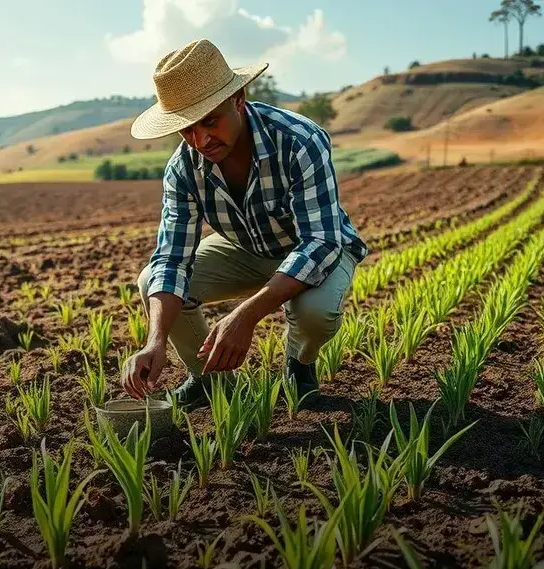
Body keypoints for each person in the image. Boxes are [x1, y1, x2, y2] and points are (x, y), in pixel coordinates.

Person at [120, 38, 368, 412]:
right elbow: (171, 259)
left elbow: (320, 241)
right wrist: (155, 340)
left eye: (210, 121)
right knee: (150, 280)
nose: (200, 139)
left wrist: (246, 315)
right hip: (244, 249)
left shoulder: (298, 140)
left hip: (316, 247)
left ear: (239, 99)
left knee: (315, 313)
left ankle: (298, 366)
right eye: (186, 129)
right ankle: (209, 380)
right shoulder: (183, 168)